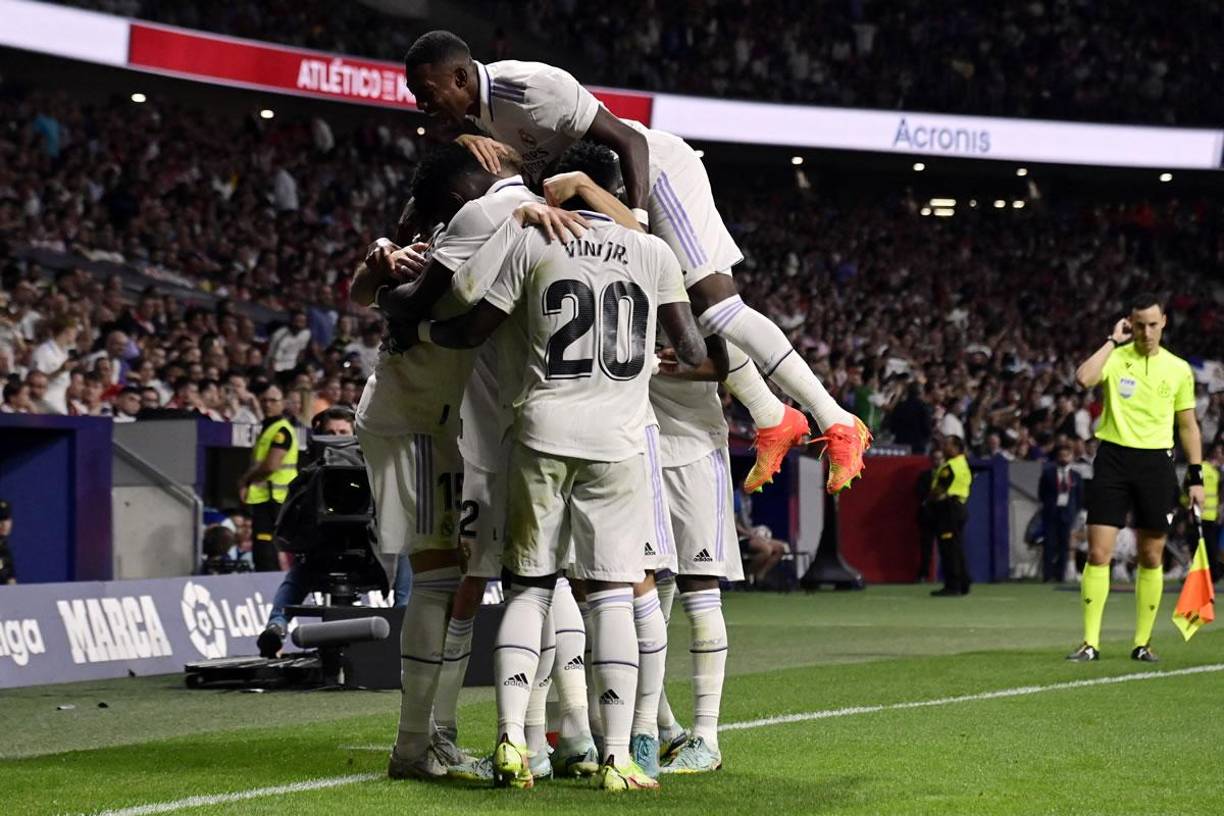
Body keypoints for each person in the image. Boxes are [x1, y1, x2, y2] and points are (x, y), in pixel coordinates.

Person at [402, 30, 870, 494]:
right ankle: (772, 416)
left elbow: (630, 141)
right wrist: (465, 139)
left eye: (427, 92)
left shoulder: (531, 89)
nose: (421, 104)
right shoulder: (478, 120)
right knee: (679, 319)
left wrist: (638, 225)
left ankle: (838, 420)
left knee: (717, 306)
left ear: (460, 75)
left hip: (658, 173)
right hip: (605, 198)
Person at [415, 183, 708, 792]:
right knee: (610, 596)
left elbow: (470, 325)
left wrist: (414, 331)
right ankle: (620, 756)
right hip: (620, 443)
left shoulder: (533, 232)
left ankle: (511, 742)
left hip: (541, 430)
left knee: (529, 590)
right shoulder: (651, 250)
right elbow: (694, 347)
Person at [1067, 293, 1204, 662]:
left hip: (1156, 464)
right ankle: (1090, 643)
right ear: (1129, 323)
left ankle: (1141, 643)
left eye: (1153, 325)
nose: (1146, 332)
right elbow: (1083, 378)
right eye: (1139, 324)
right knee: (1098, 552)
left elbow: (1188, 426)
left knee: (1151, 554)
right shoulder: (1116, 357)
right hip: (1113, 458)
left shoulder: (1178, 369)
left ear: (1164, 324)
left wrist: (1196, 477)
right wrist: (1112, 341)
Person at [239, 386, 299, 571]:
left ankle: (268, 585)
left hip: (274, 497)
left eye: (273, 401)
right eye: (264, 400)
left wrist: (245, 480)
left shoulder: (281, 431)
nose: (267, 404)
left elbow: (271, 465)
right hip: (267, 496)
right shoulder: (268, 428)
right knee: (263, 545)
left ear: (283, 404)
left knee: (266, 547)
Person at [929, 435, 972, 597]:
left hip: (949, 509)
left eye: (947, 445)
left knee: (948, 549)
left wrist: (931, 498)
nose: (944, 448)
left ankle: (953, 585)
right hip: (959, 507)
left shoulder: (950, 466)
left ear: (955, 448)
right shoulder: (963, 464)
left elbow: (939, 489)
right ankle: (963, 582)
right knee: (957, 547)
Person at [1038, 443, 1084, 583]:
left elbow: (1080, 496)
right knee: (1049, 544)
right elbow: (1042, 493)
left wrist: (1074, 511)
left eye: (1066, 455)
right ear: (1057, 457)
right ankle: (1047, 575)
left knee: (1064, 545)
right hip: (1052, 512)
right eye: (1061, 455)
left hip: (1067, 513)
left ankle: (1060, 575)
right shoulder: (1048, 473)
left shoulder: (1076, 476)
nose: (1064, 458)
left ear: (1071, 457)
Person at [0, 499, 16, 584]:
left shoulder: (5, 550)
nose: (4, 524)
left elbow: (11, 581)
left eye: (7, 519)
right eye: (0, 520)